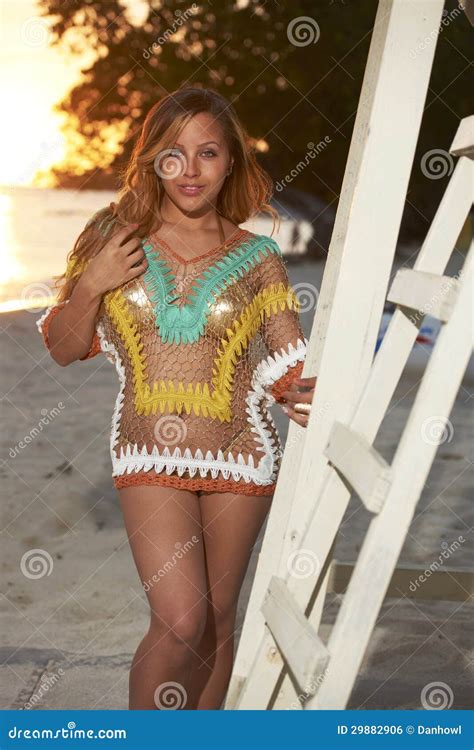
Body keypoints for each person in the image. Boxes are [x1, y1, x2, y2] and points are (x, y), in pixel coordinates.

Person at [37, 86, 316, 710]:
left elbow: (282, 362)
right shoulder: (115, 237)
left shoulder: (258, 258)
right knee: (181, 619)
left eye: (208, 153)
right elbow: (60, 345)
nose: (191, 171)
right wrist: (92, 284)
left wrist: (305, 392)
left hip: (241, 454)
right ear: (152, 160)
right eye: (174, 153)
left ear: (231, 163)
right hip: (146, 453)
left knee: (217, 624)